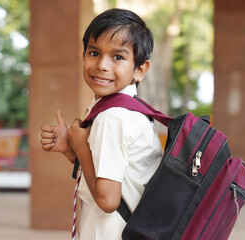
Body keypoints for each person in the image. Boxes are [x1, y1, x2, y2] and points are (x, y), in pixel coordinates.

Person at [40, 8, 163, 240]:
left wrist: (81, 145)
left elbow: (108, 200)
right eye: (94, 53)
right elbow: (111, 171)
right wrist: (71, 150)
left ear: (140, 69)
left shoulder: (113, 117)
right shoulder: (129, 110)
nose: (102, 65)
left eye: (118, 57)